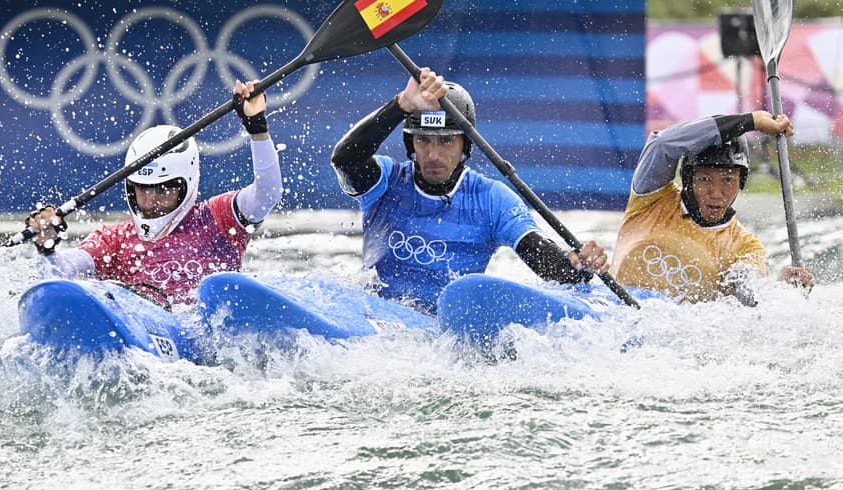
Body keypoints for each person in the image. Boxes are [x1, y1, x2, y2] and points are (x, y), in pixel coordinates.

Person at [330, 68, 610, 314]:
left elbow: (543, 261)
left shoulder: (492, 199)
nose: (433, 154)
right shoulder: (385, 181)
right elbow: (344, 160)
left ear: (465, 146)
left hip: (439, 332)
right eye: (423, 140)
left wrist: (576, 265)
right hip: (372, 320)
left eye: (446, 141)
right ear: (410, 143)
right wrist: (401, 105)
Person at [26, 80, 282, 306]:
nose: (150, 201)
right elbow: (61, 274)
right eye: (141, 189)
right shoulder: (113, 240)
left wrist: (257, 129)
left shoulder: (218, 218)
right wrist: (47, 248)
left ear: (186, 183)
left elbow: (267, 194)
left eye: (163, 189)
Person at [610, 110, 814, 305]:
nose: (717, 192)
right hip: (614, 314)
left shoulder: (744, 246)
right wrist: (752, 121)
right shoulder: (651, 198)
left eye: (728, 179)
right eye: (705, 178)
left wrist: (780, 291)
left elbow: (748, 292)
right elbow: (663, 144)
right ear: (689, 179)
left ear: (741, 181)